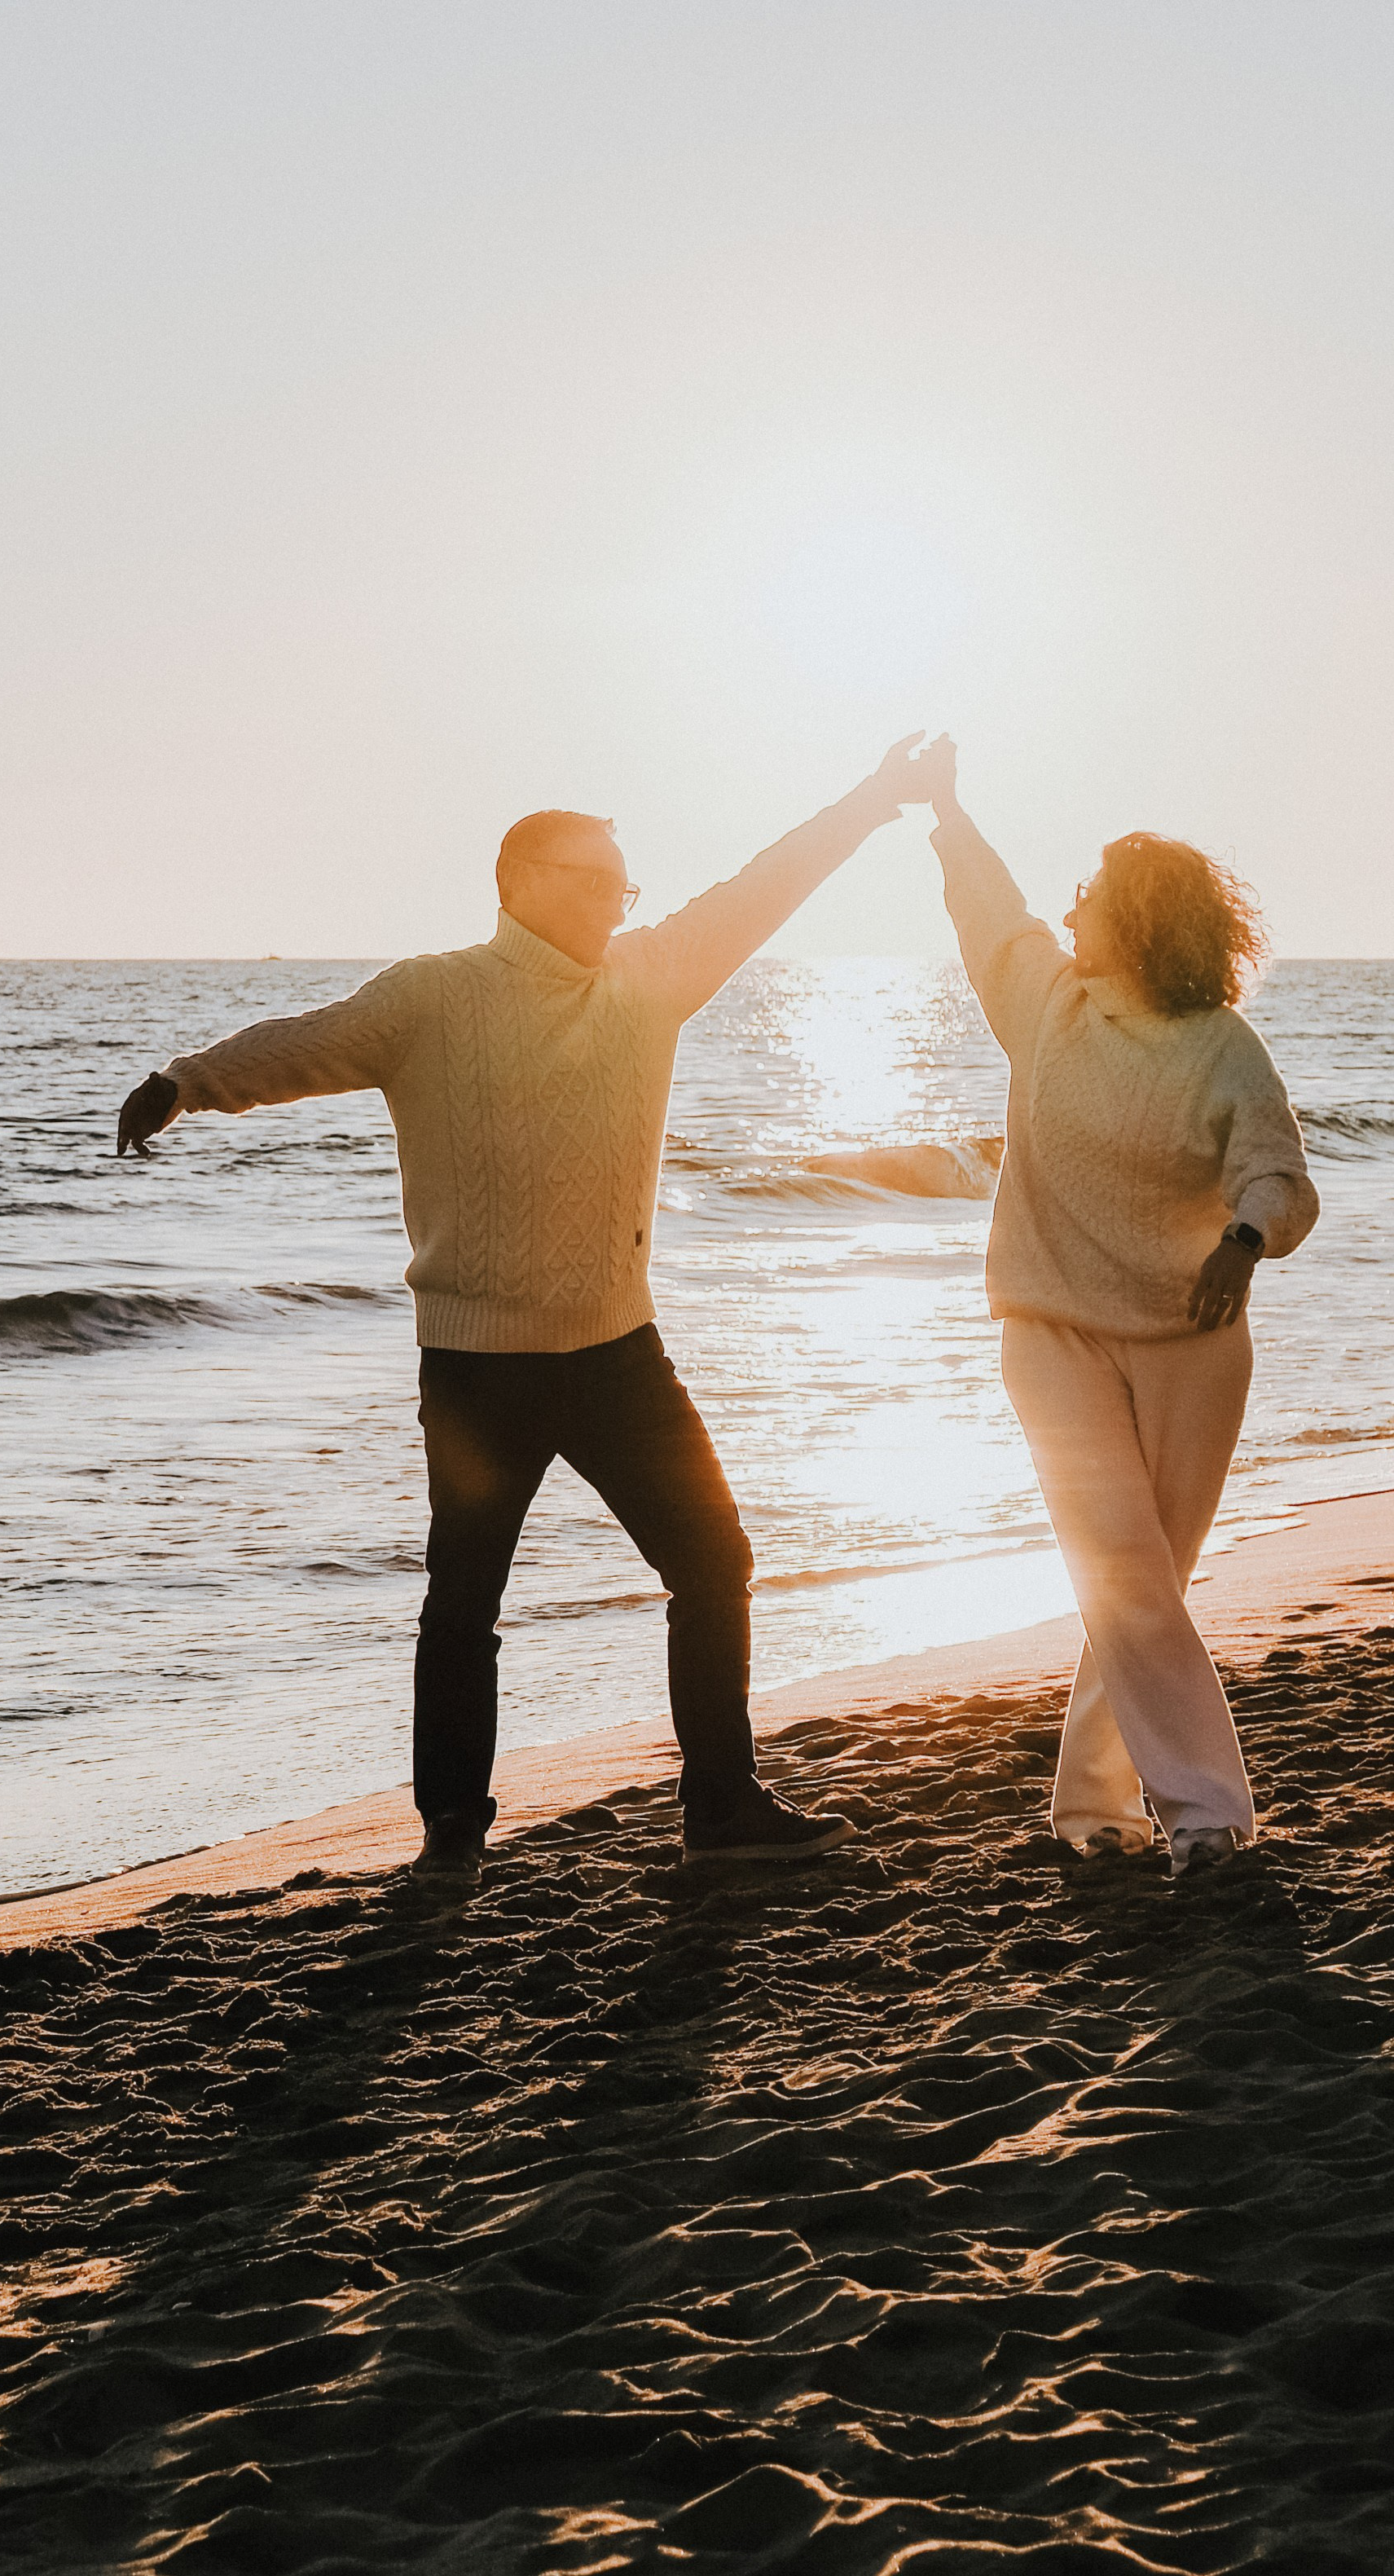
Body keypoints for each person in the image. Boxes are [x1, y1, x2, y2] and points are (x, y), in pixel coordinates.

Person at [117, 737, 929, 1880]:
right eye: (591, 877)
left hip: (618, 1354)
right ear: (519, 883)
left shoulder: (651, 975)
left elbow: (765, 884)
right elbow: (306, 1044)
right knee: (465, 1598)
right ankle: (452, 1828)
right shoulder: (432, 994)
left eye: (621, 882)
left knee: (712, 1556)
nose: (612, 899)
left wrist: (872, 799)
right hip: (477, 1365)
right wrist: (183, 1082)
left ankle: (721, 1802)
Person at [914, 734, 1317, 1878]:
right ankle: (1207, 1816)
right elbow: (989, 907)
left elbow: (1276, 1170)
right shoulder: (1045, 1001)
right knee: (1123, 1570)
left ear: (1141, 921)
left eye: (1091, 893)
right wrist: (945, 808)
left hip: (1192, 1343)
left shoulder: (1221, 1050)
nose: (1068, 906)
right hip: (1051, 1329)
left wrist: (1244, 1240)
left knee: (1147, 1579)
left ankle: (1092, 1800)